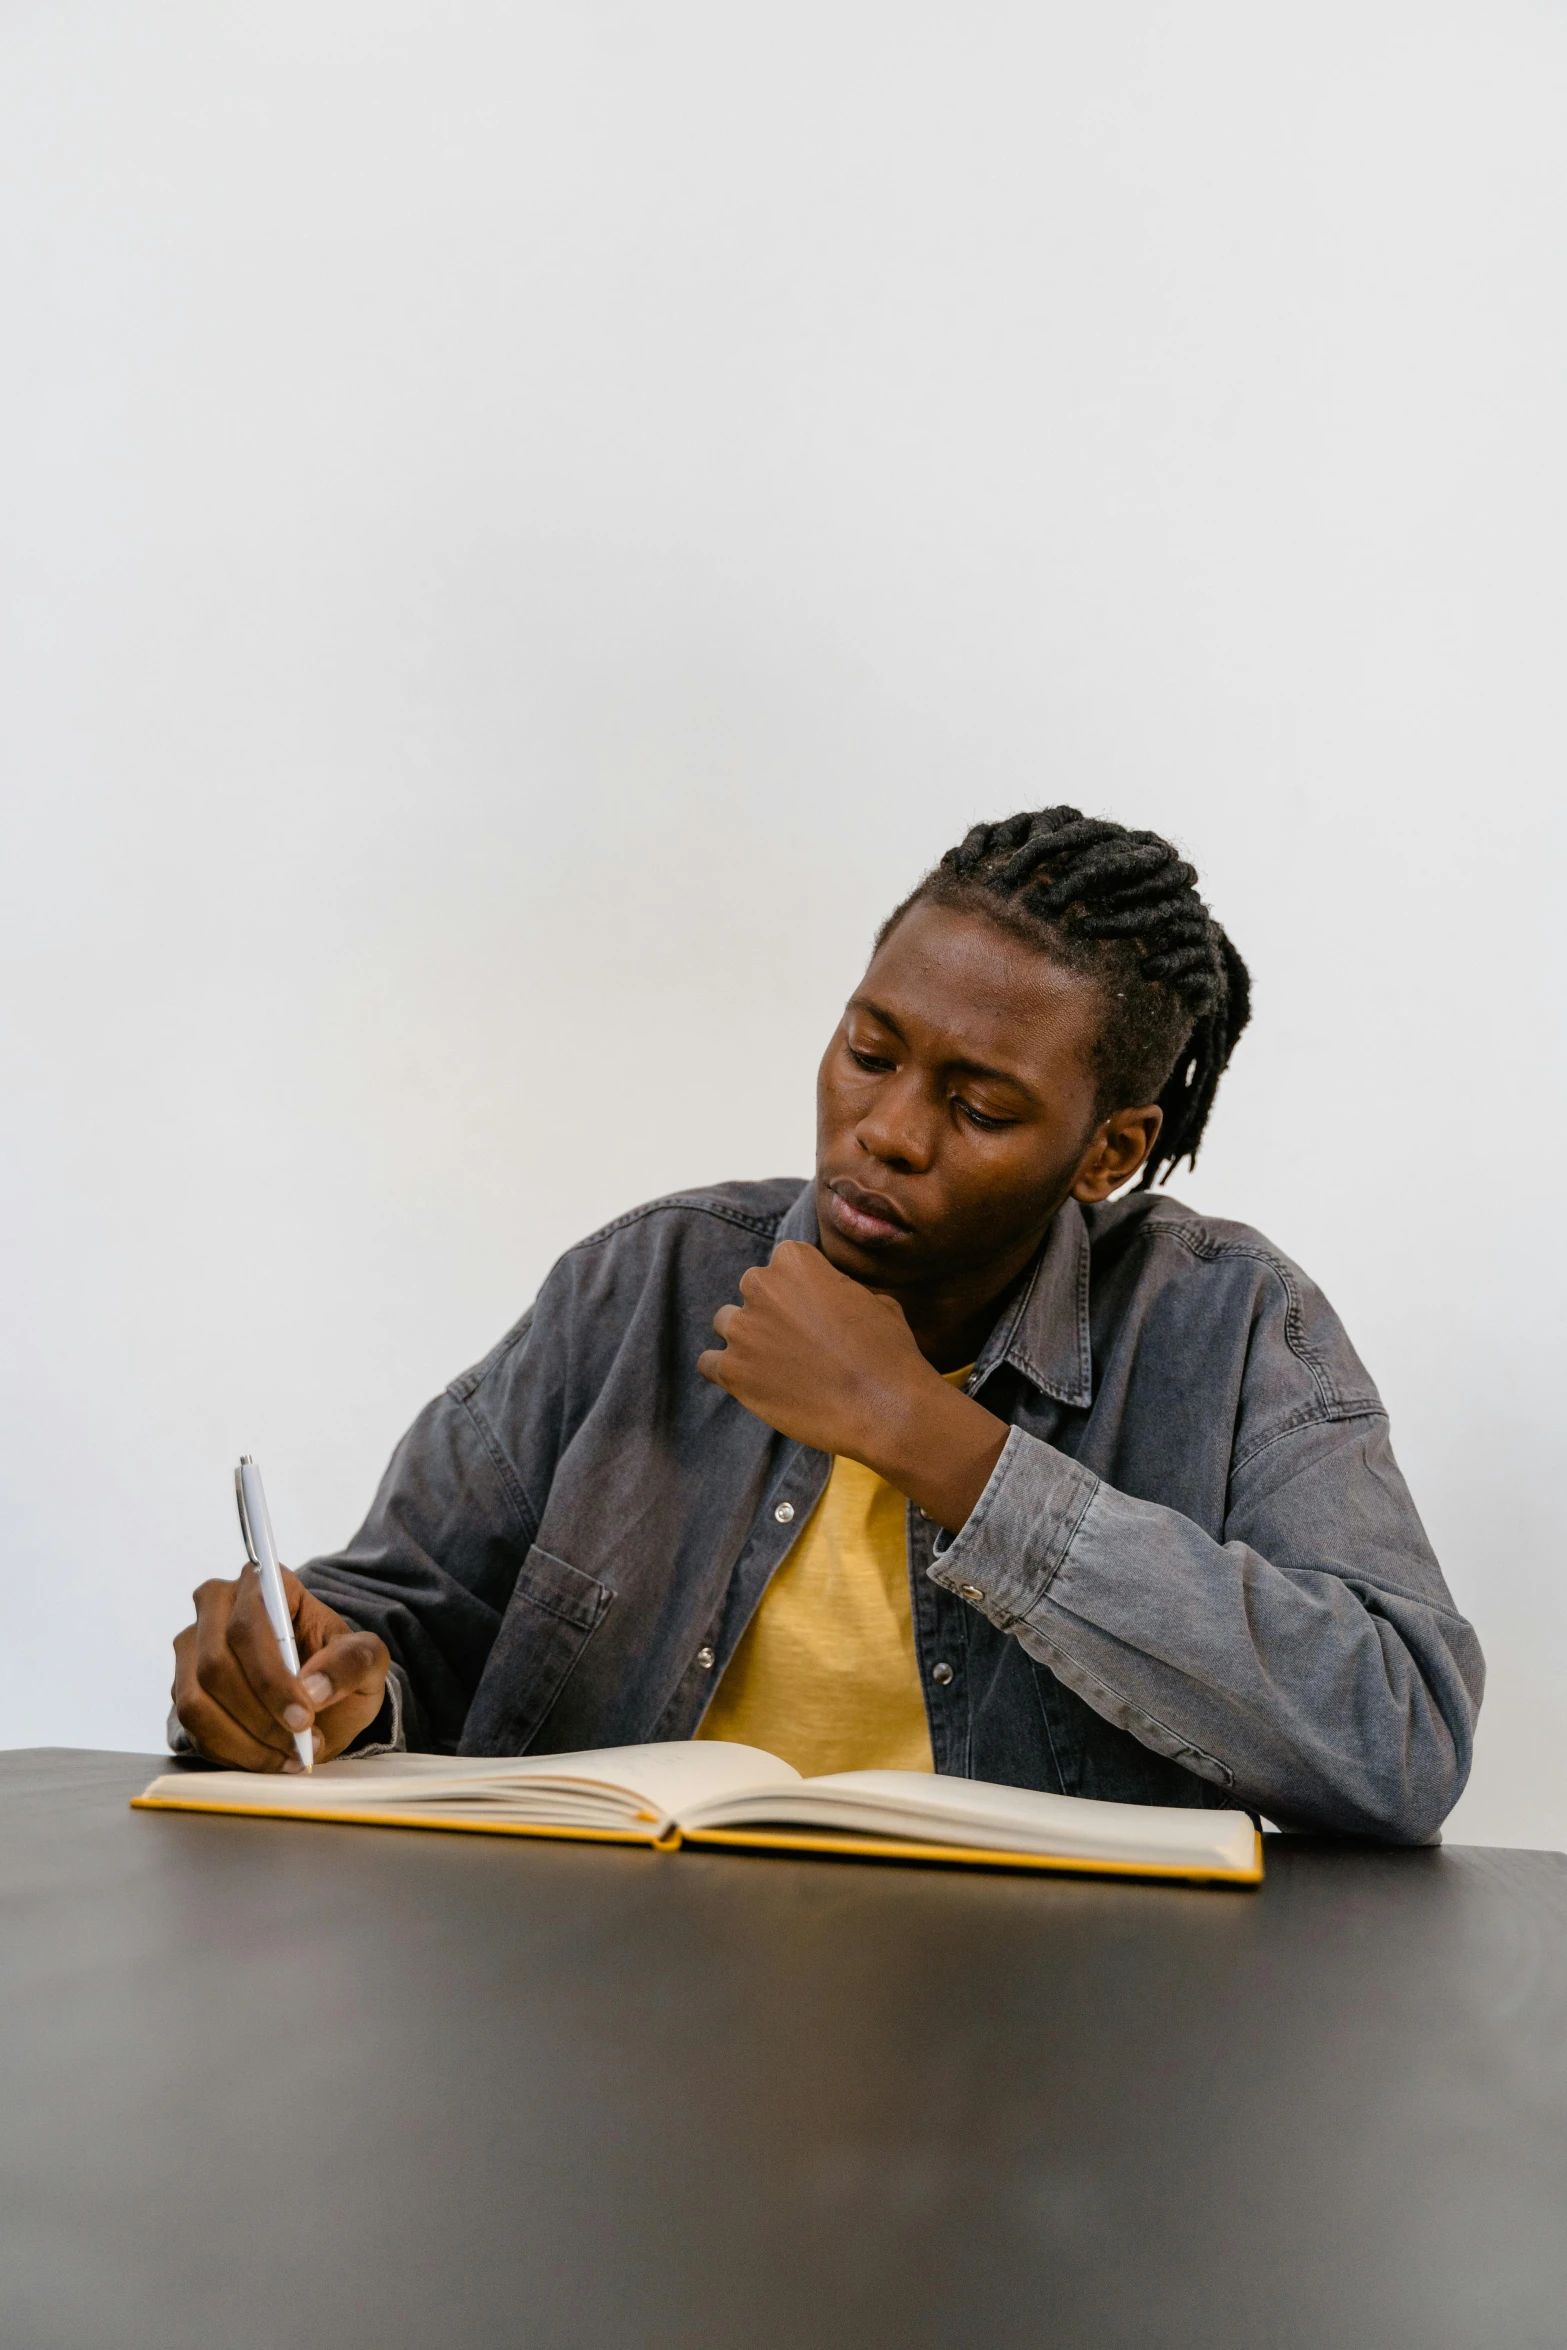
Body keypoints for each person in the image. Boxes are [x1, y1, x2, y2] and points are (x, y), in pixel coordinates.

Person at [170, 807, 1483, 1840]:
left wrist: (932, 1440)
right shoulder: (647, 1282)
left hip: (1053, 2051)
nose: (889, 1131)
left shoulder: (1232, 1326)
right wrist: (317, 1678)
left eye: (978, 1108)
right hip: (605, 2013)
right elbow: (403, 1612)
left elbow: (1401, 1734)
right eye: (870, 1051)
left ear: (1109, 1150)